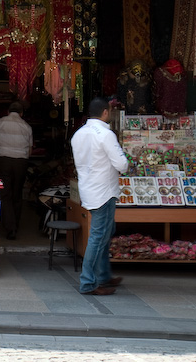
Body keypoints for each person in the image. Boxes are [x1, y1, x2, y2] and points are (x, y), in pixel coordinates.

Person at [71, 97, 129, 296]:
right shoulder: (105, 134)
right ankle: (88, 282)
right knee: (98, 236)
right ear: (105, 112)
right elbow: (122, 165)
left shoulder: (78, 134)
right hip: (104, 191)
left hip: (89, 189)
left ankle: (103, 275)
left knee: (104, 233)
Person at [0, 101, 33, 240]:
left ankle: (10, 227)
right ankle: (15, 225)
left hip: (3, 161)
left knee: (5, 193)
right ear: (21, 113)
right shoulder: (27, 127)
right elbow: (30, 151)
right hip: (21, 162)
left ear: (8, 111)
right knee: (17, 193)